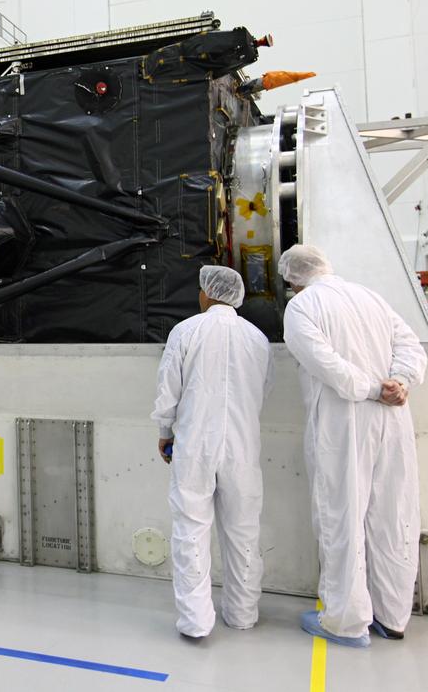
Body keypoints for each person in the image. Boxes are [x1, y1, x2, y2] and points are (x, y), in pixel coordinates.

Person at [278, 244, 427, 648]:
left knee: (341, 516)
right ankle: (393, 616)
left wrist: (373, 388)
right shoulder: (371, 297)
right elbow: (411, 347)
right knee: (393, 514)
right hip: (393, 419)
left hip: (345, 421)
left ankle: (345, 621)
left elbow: (324, 364)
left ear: (293, 279)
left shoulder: (302, 307)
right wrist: (400, 382)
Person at [152, 265, 272, 639]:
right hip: (242, 447)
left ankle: (196, 621)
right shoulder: (257, 338)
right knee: (243, 532)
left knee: (191, 530)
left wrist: (164, 431)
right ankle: (242, 613)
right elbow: (261, 392)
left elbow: (169, 388)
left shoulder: (186, 331)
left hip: (195, 446)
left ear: (206, 294)